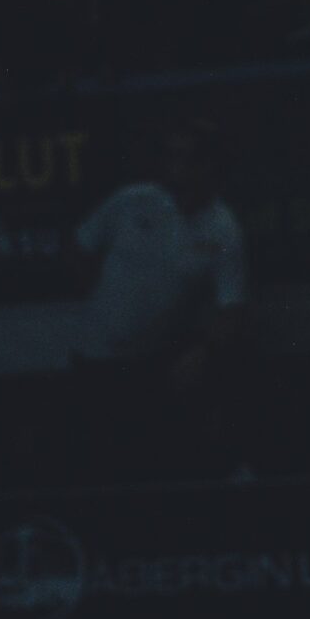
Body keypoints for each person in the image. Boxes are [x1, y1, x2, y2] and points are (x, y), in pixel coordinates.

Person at [70, 117, 249, 476]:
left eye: (188, 158)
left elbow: (231, 306)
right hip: (94, 360)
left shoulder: (223, 229)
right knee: (95, 465)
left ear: (209, 165)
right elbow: (81, 246)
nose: (177, 167)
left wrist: (202, 351)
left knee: (150, 463)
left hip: (153, 367)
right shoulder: (130, 202)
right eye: (171, 156)